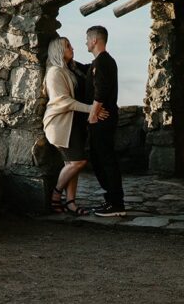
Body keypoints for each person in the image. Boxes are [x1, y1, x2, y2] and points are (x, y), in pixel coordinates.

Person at [42, 36, 103, 215]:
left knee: (71, 164)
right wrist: (92, 109)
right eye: (67, 46)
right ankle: (56, 194)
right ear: (59, 50)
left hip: (74, 124)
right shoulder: (55, 72)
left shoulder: (71, 69)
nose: (72, 47)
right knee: (78, 161)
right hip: (60, 124)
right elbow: (63, 101)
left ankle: (71, 203)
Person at [84, 25, 126, 217]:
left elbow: (101, 91)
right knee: (100, 159)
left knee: (106, 160)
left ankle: (116, 204)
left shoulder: (103, 62)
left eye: (87, 39)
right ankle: (111, 200)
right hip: (103, 118)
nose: (85, 42)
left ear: (94, 40)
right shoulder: (100, 62)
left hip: (103, 119)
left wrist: (94, 114)